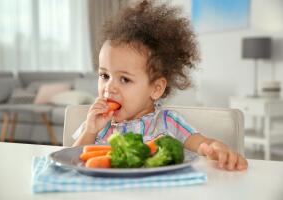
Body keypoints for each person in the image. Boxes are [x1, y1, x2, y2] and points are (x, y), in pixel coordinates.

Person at [73, 0, 248, 171]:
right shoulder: (98, 124)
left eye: (125, 79)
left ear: (156, 88)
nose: (108, 87)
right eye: (104, 75)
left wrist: (217, 148)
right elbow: (71, 159)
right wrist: (89, 130)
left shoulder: (168, 122)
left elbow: (204, 143)